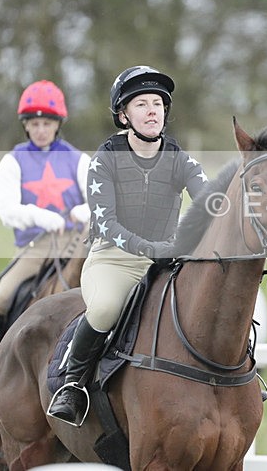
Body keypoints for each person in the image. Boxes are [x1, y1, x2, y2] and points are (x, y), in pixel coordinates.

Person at [47, 65, 208, 426]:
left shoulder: (182, 159)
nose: (152, 111)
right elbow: (106, 223)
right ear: (123, 115)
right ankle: (72, 384)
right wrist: (152, 249)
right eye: (142, 104)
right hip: (114, 260)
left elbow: (210, 202)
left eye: (158, 104)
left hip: (168, 261)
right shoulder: (104, 159)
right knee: (105, 308)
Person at [0, 80, 91, 404]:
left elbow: (99, 199)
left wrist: (80, 211)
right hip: (37, 244)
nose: (41, 129)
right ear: (26, 125)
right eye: (34, 123)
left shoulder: (79, 160)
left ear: (58, 124)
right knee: (3, 295)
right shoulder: (13, 161)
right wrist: (40, 216)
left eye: (47, 123)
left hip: (79, 240)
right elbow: (6, 209)